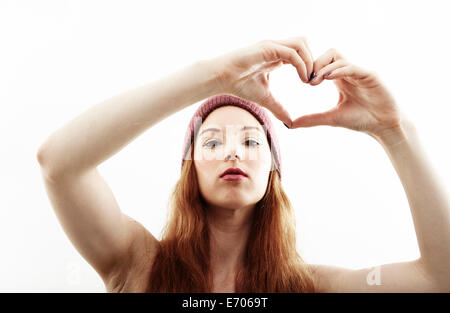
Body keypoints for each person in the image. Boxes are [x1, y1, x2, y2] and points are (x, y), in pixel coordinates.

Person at [37, 36, 450, 292]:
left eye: (252, 141)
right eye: (212, 142)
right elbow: (59, 162)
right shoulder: (138, 265)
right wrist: (215, 75)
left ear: (273, 173)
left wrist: (395, 132)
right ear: (190, 168)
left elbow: (440, 279)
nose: (233, 152)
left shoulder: (311, 287)